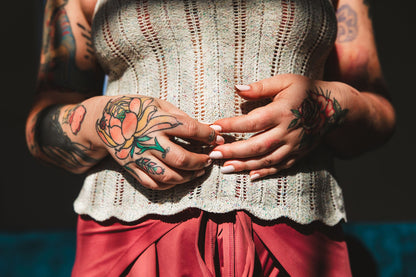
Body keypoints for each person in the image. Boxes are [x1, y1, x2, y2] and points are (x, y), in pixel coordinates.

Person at [26, 0, 395, 275]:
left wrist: (329, 106)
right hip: (131, 241)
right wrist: (104, 121)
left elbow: (378, 110)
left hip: (297, 236)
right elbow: (41, 125)